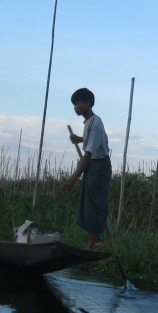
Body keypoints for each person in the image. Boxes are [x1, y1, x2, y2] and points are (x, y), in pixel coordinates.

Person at [63, 88, 111, 250]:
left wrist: (73, 177)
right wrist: (79, 139)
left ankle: (94, 242)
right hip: (94, 165)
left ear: (88, 103)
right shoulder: (89, 123)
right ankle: (93, 241)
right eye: (74, 105)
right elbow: (94, 140)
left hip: (99, 166)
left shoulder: (95, 122)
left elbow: (88, 155)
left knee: (94, 202)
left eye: (78, 104)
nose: (76, 107)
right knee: (88, 202)